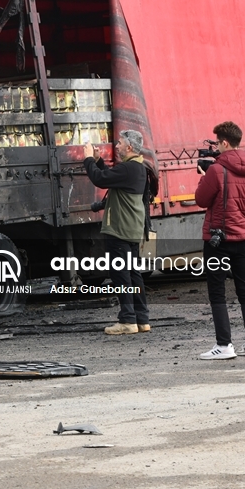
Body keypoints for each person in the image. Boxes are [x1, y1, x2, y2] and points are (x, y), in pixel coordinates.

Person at [194, 121, 245, 360]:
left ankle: (224, 345)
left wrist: (204, 178)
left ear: (224, 142)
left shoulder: (215, 170)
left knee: (217, 292)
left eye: (217, 143)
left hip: (218, 239)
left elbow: (202, 200)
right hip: (244, 236)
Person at [83, 129, 150, 335]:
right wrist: (98, 160)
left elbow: (100, 179)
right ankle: (141, 319)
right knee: (133, 274)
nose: (117, 146)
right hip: (131, 229)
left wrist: (87, 159)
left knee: (121, 276)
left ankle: (127, 321)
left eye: (120, 143)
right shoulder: (137, 167)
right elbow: (111, 178)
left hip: (119, 230)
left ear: (129, 147)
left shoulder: (129, 168)